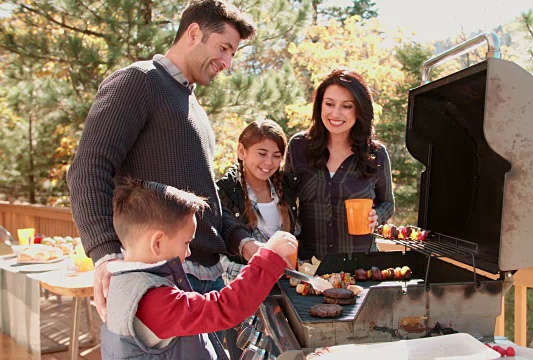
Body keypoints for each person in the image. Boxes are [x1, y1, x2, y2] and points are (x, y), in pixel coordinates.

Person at [66, 0, 267, 322]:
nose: (228, 62)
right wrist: (105, 252)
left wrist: (243, 242)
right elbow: (89, 168)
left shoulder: (194, 109)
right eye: (224, 48)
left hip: (205, 277)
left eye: (233, 53)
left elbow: (205, 200)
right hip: (159, 278)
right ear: (193, 32)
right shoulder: (139, 81)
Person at [101, 178, 296, 359]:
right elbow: (223, 308)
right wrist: (269, 255)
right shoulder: (152, 301)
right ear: (157, 243)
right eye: (186, 243)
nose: (188, 253)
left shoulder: (122, 283)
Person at [284, 67, 395, 260]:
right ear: (320, 106)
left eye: (346, 106)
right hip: (310, 266)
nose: (335, 113)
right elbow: (285, 203)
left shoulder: (376, 154)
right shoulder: (298, 147)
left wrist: (377, 216)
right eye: (329, 104)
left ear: (359, 110)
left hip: (361, 267)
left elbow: (387, 203)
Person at [216, 119, 298, 359]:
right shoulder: (223, 192)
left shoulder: (287, 189)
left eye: (276, 155)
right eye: (261, 153)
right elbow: (219, 254)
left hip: (284, 295)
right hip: (243, 295)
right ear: (242, 151)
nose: (268, 163)